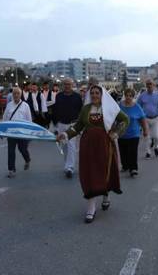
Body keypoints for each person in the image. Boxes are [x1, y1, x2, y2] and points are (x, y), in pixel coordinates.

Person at [57, 85, 129, 223]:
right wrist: (65, 134)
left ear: (102, 95)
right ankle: (91, 208)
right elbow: (78, 126)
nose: (95, 95)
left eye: (97, 93)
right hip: (88, 145)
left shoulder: (109, 108)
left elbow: (125, 119)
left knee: (104, 171)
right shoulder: (86, 109)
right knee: (89, 173)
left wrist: (116, 132)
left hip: (105, 144)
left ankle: (106, 195)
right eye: (93, 93)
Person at [51, 78, 83, 178]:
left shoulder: (77, 96)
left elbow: (81, 111)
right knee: (64, 145)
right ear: (63, 85)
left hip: (72, 124)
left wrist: (79, 125)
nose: (67, 86)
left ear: (72, 85)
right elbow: (55, 110)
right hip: (61, 124)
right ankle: (67, 165)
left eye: (69, 84)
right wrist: (55, 125)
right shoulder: (59, 96)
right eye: (65, 84)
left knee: (71, 145)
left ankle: (70, 168)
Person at [3, 87, 33, 178]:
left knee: (22, 149)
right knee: (11, 151)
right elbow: (5, 118)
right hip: (11, 132)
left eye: (18, 93)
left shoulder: (25, 106)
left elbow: (29, 121)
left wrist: (29, 133)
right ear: (12, 95)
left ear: (21, 95)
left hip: (22, 133)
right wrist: (2, 131)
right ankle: (11, 170)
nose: (16, 95)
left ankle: (27, 159)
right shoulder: (9, 105)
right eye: (14, 93)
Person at [118, 88, 148, 177]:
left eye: (130, 96)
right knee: (123, 152)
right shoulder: (120, 106)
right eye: (127, 95)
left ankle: (133, 169)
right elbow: (114, 117)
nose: (128, 97)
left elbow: (142, 119)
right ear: (124, 96)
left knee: (132, 152)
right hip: (122, 133)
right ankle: (125, 165)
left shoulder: (137, 107)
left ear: (133, 97)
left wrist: (145, 130)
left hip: (134, 134)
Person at [137, 79, 158, 158]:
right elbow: (138, 107)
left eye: (150, 84)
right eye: (148, 84)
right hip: (145, 119)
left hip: (156, 118)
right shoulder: (142, 96)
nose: (149, 86)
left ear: (154, 85)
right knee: (147, 136)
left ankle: (156, 146)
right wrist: (138, 118)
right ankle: (148, 152)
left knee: (156, 136)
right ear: (146, 86)